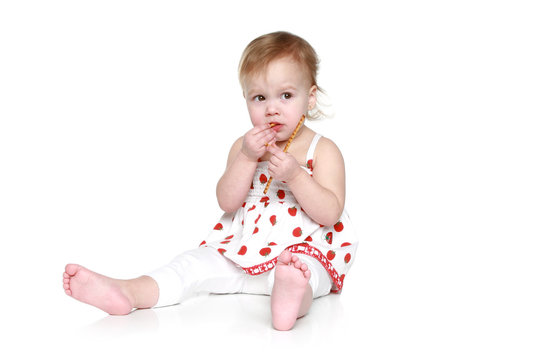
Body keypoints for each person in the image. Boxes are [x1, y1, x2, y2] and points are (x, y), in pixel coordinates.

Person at [63, 31, 358, 331]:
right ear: (245, 100)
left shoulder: (322, 150)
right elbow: (227, 202)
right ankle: (129, 292)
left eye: (286, 95)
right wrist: (245, 158)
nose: (272, 108)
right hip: (242, 249)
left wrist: (296, 176)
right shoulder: (244, 148)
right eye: (259, 97)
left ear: (309, 98)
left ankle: (290, 297)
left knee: (306, 273)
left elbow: (330, 212)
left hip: (302, 248)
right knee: (191, 263)